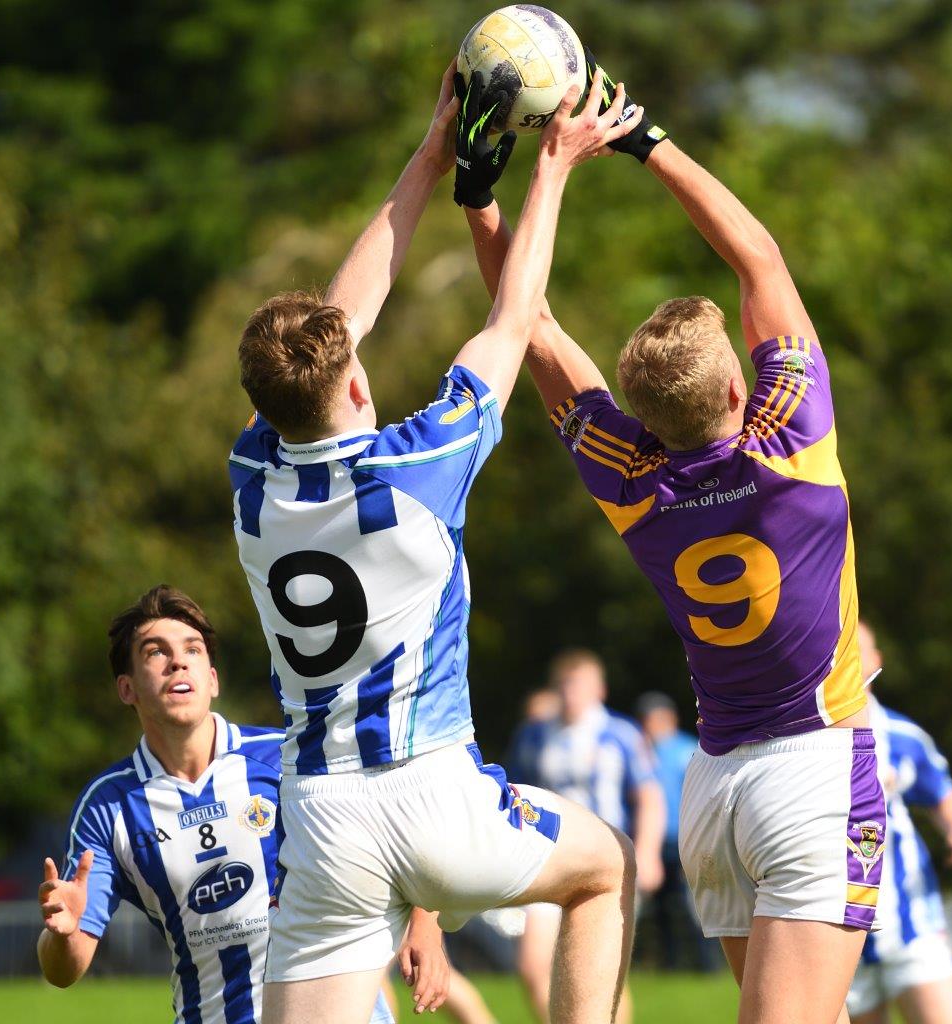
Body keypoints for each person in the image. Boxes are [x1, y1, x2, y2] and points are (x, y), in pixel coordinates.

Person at [461, 48, 885, 1024]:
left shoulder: (629, 478)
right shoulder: (790, 450)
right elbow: (759, 261)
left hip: (712, 793)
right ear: (737, 388)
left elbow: (526, 322)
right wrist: (642, 139)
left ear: (645, 415)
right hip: (813, 771)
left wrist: (480, 194)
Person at [228, 64, 645, 1024]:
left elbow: (337, 326)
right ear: (360, 386)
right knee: (601, 872)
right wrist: (551, 170)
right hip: (434, 796)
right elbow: (513, 317)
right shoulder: (423, 462)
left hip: (321, 815)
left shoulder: (252, 476)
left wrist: (426, 157)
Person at [36, 585, 447, 1024]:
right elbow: (66, 968)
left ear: (211, 679)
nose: (178, 661)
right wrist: (64, 932)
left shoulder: (290, 756)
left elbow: (399, 826)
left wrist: (426, 925)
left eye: (192, 650)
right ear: (127, 687)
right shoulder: (108, 806)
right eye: (156, 652)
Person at [509, 650, 666, 1023]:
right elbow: (513, 792)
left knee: (601, 975)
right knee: (533, 967)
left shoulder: (621, 734)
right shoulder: (534, 734)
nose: (571, 694)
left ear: (600, 689)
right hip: (548, 861)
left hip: (605, 864)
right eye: (565, 685)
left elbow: (649, 796)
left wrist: (649, 852)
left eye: (579, 686)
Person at [847, 622, 952, 1024]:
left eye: (858, 651)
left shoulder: (903, 736)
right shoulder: (805, 739)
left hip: (912, 922)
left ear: (876, 661)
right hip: (839, 929)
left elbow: (942, 794)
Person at [636, 691, 714, 970]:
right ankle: (669, 964)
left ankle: (707, 965)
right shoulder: (641, 750)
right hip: (655, 841)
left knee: (691, 903)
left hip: (684, 836)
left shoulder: (686, 748)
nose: (648, 724)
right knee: (660, 907)